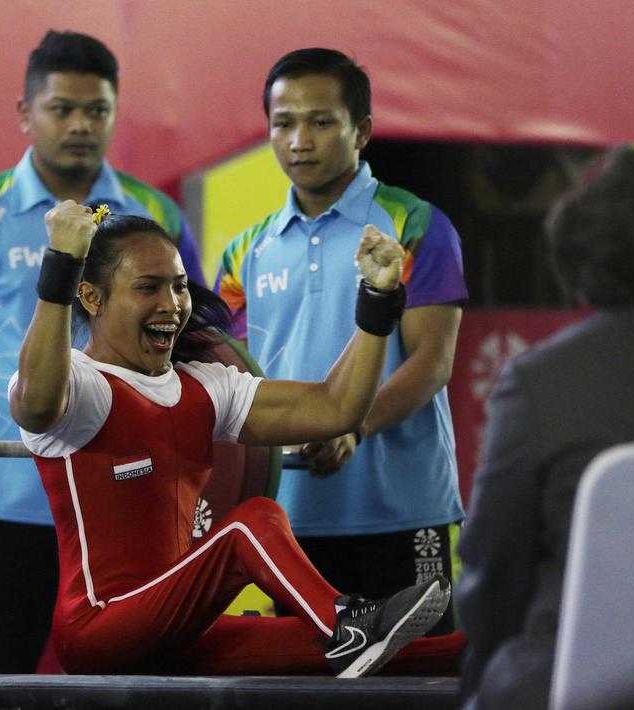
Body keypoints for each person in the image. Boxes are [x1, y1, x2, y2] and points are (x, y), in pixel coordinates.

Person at [8, 199, 449, 675]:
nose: (171, 305)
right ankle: (345, 622)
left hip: (179, 629)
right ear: (92, 298)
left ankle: (492, 646)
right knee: (251, 522)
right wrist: (61, 268)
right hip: (100, 630)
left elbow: (336, 407)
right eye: (148, 288)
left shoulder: (207, 386)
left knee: (430, 653)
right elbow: (36, 404)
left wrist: (377, 303)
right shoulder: (82, 384)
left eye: (179, 287)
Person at [0, 30, 203, 674]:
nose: (80, 125)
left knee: (127, 688)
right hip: (4, 504)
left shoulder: (157, 219)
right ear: (25, 113)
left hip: (126, 503)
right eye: (61, 108)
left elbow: (195, 337)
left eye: (96, 110)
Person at [456, 144, 634, 709]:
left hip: (561, 685)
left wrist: (479, 685)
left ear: (587, 249)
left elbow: (494, 578)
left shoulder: (538, 383)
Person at [215, 48, 466, 637]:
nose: (300, 139)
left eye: (321, 121)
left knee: (416, 683)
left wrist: (354, 424)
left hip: (404, 512)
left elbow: (433, 361)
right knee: (306, 689)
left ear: (363, 132)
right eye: (284, 123)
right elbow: (239, 377)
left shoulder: (415, 225)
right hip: (292, 520)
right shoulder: (243, 252)